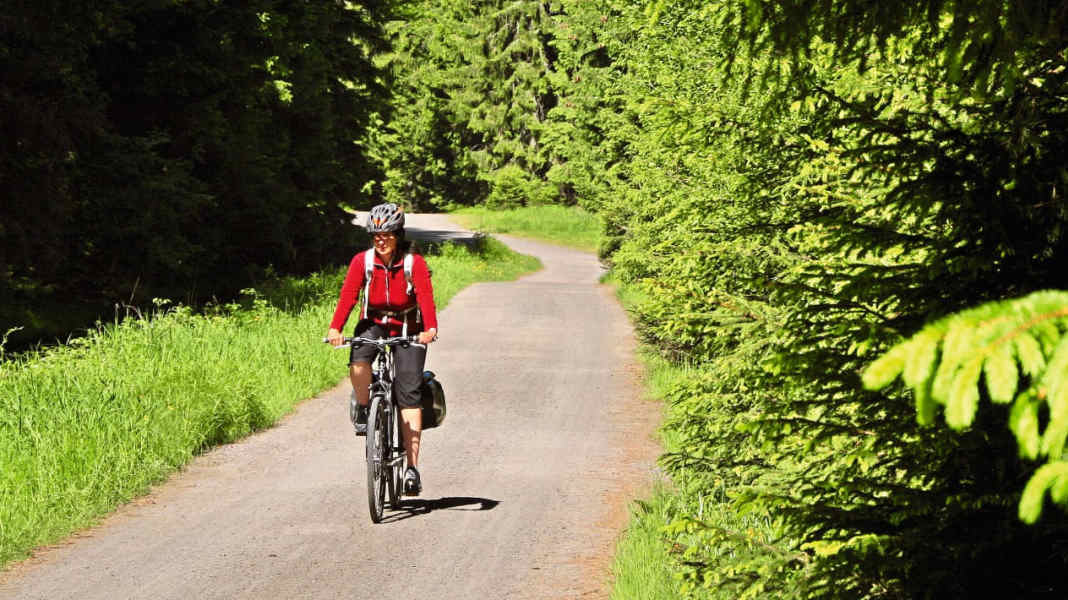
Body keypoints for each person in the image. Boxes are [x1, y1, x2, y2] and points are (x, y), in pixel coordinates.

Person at [326, 203, 438, 496]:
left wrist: (430, 329)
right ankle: (366, 410)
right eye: (376, 235)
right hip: (373, 323)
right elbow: (349, 296)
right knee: (358, 363)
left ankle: (412, 469)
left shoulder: (414, 263)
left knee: (409, 391)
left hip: (406, 327)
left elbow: (425, 297)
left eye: (387, 234)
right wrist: (335, 328)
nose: (381, 240)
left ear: (398, 235)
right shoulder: (362, 262)